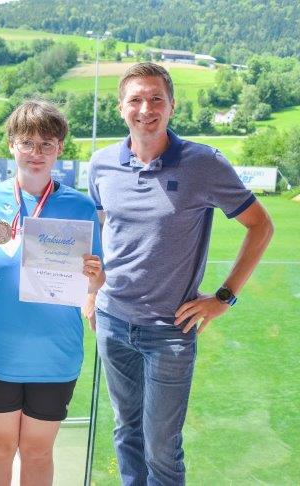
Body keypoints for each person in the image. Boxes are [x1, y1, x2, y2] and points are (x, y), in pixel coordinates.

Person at [88, 62, 274, 485]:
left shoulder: (202, 163)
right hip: (113, 322)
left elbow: (261, 226)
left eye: (156, 98)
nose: (146, 109)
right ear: (120, 108)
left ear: (172, 106)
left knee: (161, 447)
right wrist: (91, 294)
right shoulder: (101, 165)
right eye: (135, 99)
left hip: (170, 330)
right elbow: (101, 232)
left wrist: (224, 297)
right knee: (126, 432)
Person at [0, 100, 104, 485]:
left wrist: (94, 276)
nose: (36, 153)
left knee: (39, 451)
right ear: (11, 145)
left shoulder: (80, 206)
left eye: (46, 144)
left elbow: (95, 284)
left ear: (60, 148)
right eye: (27, 142)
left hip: (54, 353)